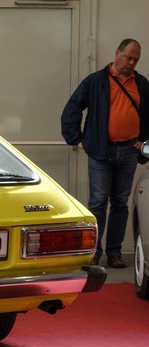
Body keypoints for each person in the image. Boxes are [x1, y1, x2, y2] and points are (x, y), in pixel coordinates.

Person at [61, 38, 149, 268]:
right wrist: (76, 139)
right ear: (117, 53)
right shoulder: (96, 82)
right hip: (101, 151)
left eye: (136, 59)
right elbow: (72, 109)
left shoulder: (141, 84)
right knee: (98, 203)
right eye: (128, 57)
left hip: (129, 151)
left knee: (120, 203)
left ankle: (114, 253)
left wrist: (144, 144)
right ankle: (94, 252)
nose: (132, 63)